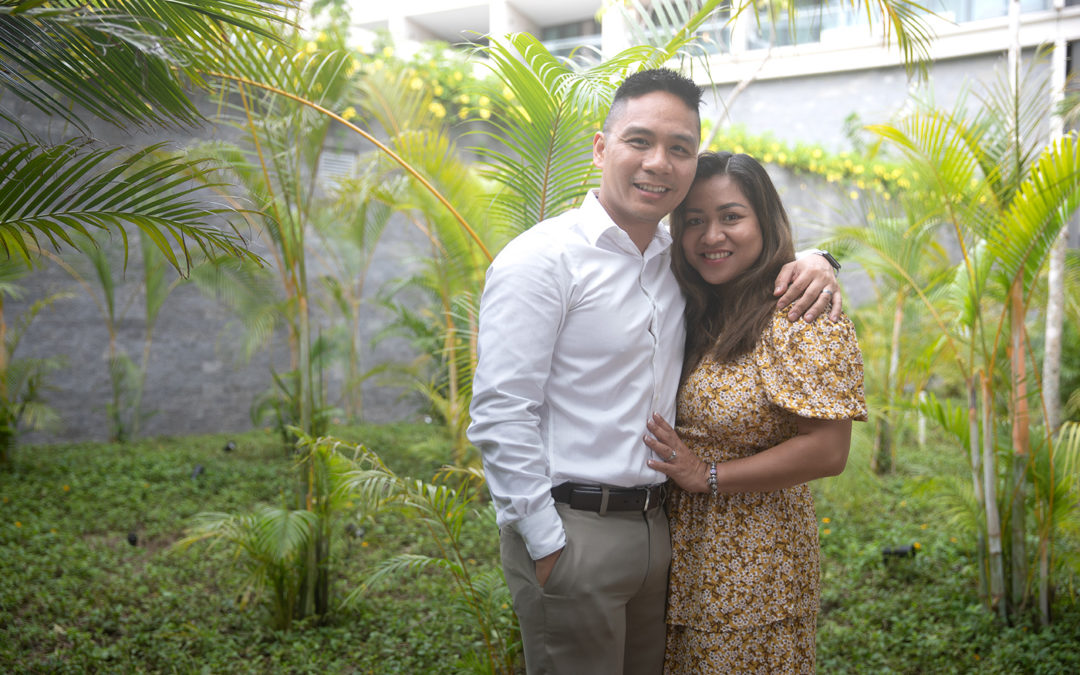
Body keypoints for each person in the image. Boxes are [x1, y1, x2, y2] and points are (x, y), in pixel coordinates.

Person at [467, 69, 841, 675]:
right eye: (639, 141)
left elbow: (749, 251)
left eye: (679, 148)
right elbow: (501, 411)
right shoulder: (543, 260)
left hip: (660, 532)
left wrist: (820, 259)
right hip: (571, 529)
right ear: (601, 147)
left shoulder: (681, 264)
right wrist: (544, 542)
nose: (658, 162)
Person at [643, 151, 868, 673]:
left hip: (752, 561)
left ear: (765, 220)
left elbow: (828, 451)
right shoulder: (694, 303)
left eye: (731, 216)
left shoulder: (799, 311)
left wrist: (709, 476)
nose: (710, 235)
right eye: (693, 221)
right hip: (676, 550)